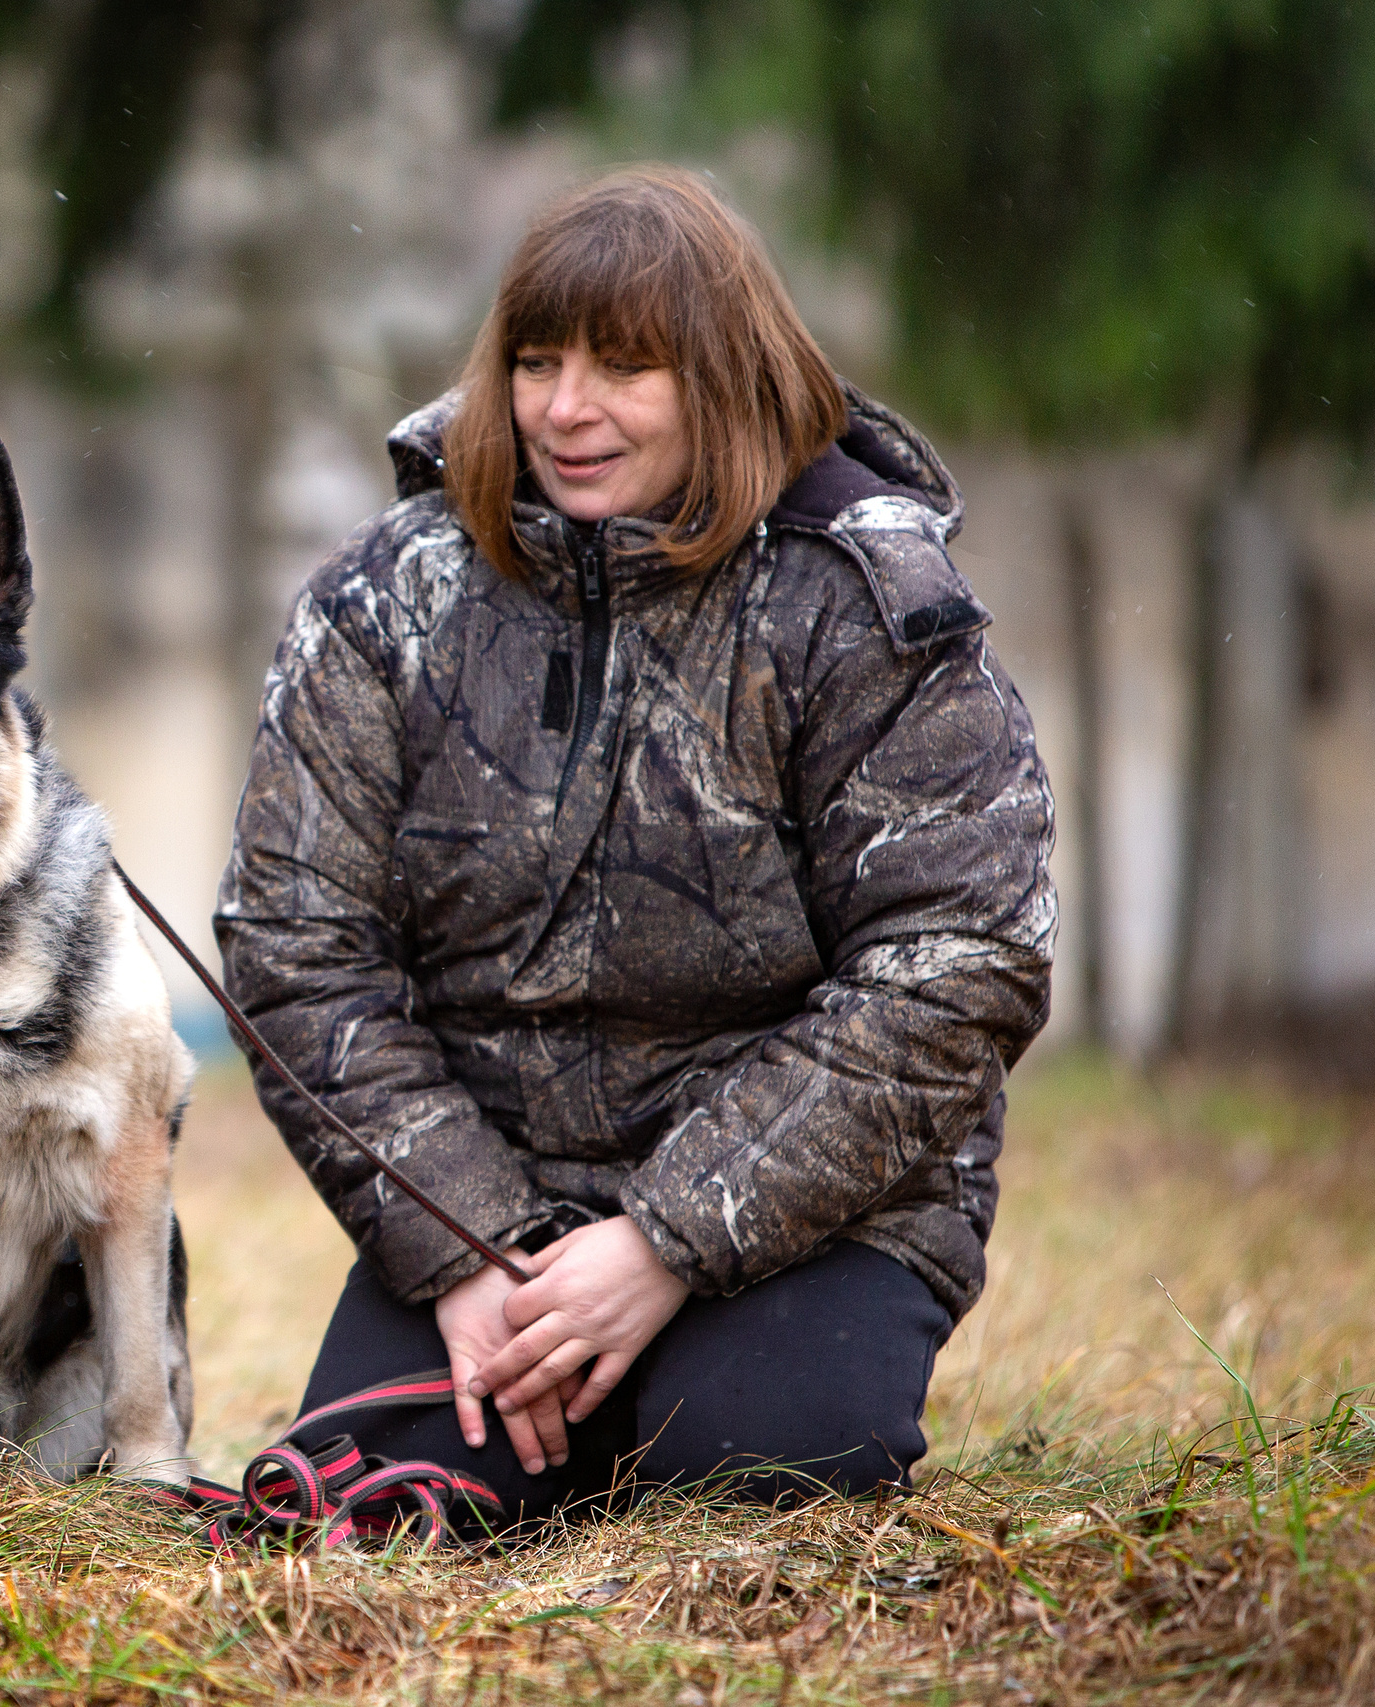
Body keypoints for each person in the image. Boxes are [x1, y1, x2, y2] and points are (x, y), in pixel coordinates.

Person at [214, 165, 1054, 1525]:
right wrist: (466, 1249)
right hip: (493, 1209)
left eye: (624, 367)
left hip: (812, 1219)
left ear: (720, 376)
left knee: (752, 1468)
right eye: (536, 361)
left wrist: (665, 1240)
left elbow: (964, 961)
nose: (564, 409)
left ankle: (703, 1392)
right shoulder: (383, 600)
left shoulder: (862, 605)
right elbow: (295, 943)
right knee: (375, 1504)